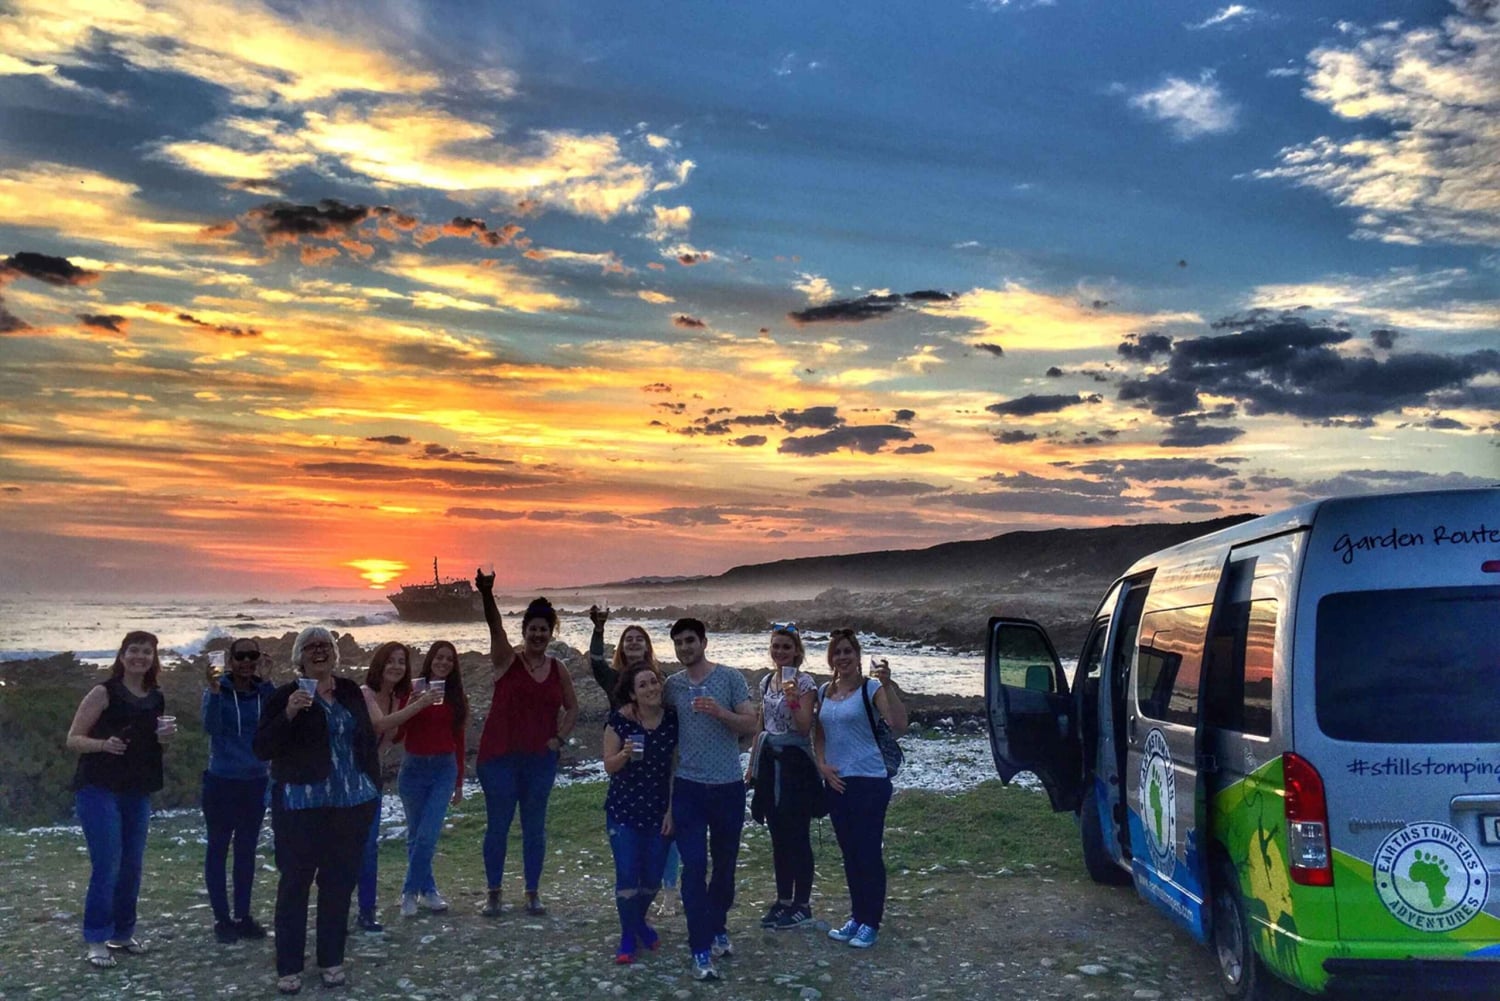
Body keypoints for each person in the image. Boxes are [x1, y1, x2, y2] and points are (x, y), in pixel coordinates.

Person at [254, 626, 380, 994]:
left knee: (338, 884)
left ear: (334, 654)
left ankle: (331, 960)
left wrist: (372, 785)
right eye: (311, 647)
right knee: (295, 884)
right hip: (302, 805)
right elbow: (262, 747)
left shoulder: (350, 690)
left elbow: (366, 739)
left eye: (325, 645)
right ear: (299, 656)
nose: (319, 651)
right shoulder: (284, 696)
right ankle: (289, 965)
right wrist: (289, 714)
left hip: (351, 802)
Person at [66, 630, 174, 969]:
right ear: (122, 655)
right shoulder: (103, 692)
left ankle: (123, 933)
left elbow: (153, 746)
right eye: (134, 650)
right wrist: (102, 744)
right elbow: (73, 739)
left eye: (147, 652)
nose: (140, 656)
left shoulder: (155, 696)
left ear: (153, 659)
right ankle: (96, 938)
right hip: (98, 787)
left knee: (132, 865)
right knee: (107, 863)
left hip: (136, 788)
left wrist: (165, 738)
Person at [475, 571, 579, 917]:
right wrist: (486, 593)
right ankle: (493, 893)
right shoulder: (507, 660)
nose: (537, 634)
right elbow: (494, 628)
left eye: (543, 629)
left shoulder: (557, 667)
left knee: (534, 827)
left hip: (539, 759)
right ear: (524, 631)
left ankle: (532, 892)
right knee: (498, 825)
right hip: (499, 757)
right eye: (532, 628)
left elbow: (573, 707)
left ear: (552, 633)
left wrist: (560, 737)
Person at [662, 617, 758, 981]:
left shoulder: (730, 678)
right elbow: (653, 719)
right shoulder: (672, 686)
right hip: (688, 787)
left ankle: (717, 926)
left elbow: (751, 725)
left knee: (725, 866)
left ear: (704, 642)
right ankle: (699, 947)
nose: (684, 648)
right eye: (678, 643)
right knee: (694, 866)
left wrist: (720, 712)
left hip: (728, 787)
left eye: (690, 641)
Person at [812, 630, 908, 950]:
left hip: (869, 780)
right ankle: (856, 915)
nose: (843, 657)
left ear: (857, 655)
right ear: (831, 658)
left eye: (848, 651)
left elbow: (898, 724)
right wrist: (822, 765)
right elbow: (820, 734)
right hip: (837, 783)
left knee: (868, 853)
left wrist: (889, 684)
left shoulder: (872, 688)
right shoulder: (825, 691)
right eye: (837, 652)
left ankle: (871, 921)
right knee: (850, 854)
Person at [587, 605, 680, 914]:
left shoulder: (660, 679)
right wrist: (599, 629)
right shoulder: (615, 679)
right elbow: (596, 661)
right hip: (626, 754)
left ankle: (668, 890)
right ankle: (637, 909)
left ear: (648, 645)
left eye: (640, 638)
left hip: (656, 757)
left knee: (665, 833)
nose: (634, 642)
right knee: (634, 843)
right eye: (629, 639)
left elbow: (673, 716)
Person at [355, 641, 435, 932]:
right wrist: (419, 705)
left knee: (368, 847)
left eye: (402, 661)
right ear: (379, 665)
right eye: (390, 661)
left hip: (372, 778)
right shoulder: (366, 694)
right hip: (349, 779)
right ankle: (340, 907)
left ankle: (366, 910)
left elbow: (397, 734)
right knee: (345, 848)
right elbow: (379, 725)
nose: (396, 666)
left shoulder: (398, 699)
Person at [200, 637, 276, 943]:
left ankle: (243, 916)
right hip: (221, 781)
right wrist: (215, 691)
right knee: (218, 849)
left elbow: (275, 722)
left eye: (252, 656)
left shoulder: (263, 693)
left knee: (246, 851)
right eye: (240, 656)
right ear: (230, 660)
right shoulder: (218, 690)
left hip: (256, 780)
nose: (246, 662)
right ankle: (222, 918)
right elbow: (211, 726)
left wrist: (269, 683)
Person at [602, 663, 679, 964]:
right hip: (623, 810)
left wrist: (672, 811)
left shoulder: (672, 719)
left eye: (654, 682)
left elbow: (675, 768)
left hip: (659, 810)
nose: (651, 688)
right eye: (643, 685)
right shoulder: (620, 721)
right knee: (627, 874)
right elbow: (608, 765)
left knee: (652, 879)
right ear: (632, 693)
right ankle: (628, 936)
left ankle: (637, 923)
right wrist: (624, 754)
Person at [747, 622, 820, 930]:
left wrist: (792, 698)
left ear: (797, 652)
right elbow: (761, 725)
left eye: (786, 647)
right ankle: (783, 900)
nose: (780, 652)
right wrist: (752, 764)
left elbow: (805, 727)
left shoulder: (806, 684)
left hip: (795, 762)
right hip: (769, 758)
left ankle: (802, 903)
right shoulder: (766, 682)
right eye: (776, 646)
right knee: (777, 834)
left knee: (798, 834)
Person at [395, 640, 468, 918]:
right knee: (416, 835)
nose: (444, 662)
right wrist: (413, 705)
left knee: (427, 835)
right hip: (413, 769)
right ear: (430, 659)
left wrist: (460, 781)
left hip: (443, 770)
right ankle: (427, 891)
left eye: (450, 659)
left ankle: (409, 891)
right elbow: (400, 733)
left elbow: (459, 740)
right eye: (439, 657)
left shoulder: (456, 696)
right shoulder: (413, 689)